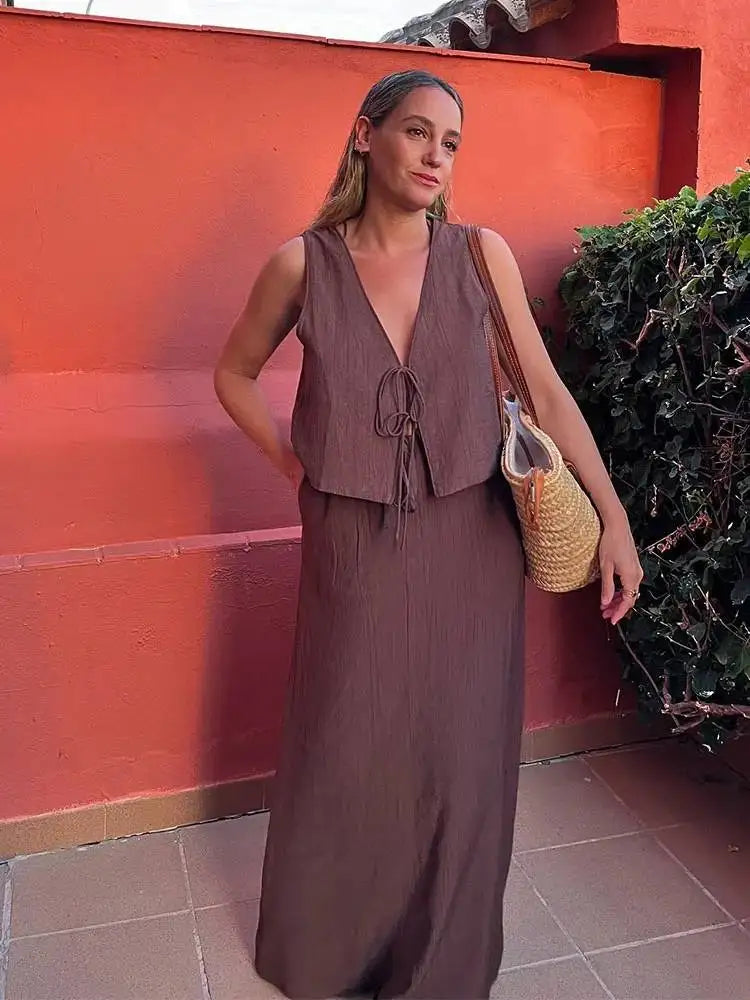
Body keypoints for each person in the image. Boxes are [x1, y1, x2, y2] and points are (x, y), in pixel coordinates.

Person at [214, 69, 643, 1000]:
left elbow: (544, 391)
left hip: (471, 534)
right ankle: (327, 954)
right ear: (365, 136)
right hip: (350, 537)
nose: (436, 156)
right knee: (347, 736)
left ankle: (439, 965)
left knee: (461, 750)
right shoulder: (302, 264)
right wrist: (292, 463)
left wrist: (613, 518)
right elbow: (233, 373)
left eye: (450, 143)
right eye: (417, 132)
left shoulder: (479, 255)